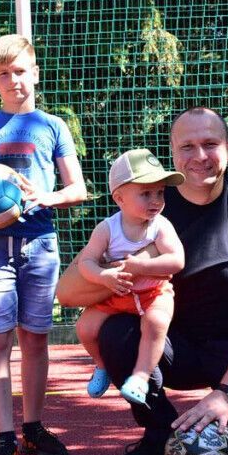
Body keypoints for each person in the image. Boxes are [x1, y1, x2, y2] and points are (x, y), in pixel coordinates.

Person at [57, 107, 228, 455]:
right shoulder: (146, 213)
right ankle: (160, 434)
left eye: (210, 144)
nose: (200, 156)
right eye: (187, 146)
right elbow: (68, 293)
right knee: (115, 330)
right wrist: (131, 266)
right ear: (172, 154)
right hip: (171, 349)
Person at [0, 34, 87, 455]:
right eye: (4, 74)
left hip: (40, 243)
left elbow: (78, 189)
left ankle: (33, 427)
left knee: (34, 338)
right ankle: (4, 438)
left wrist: (45, 197)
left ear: (35, 73)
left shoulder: (53, 126)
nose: (13, 80)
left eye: (20, 71)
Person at [75, 149, 185, 406]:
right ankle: (102, 366)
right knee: (84, 328)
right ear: (119, 198)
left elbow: (177, 260)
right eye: (146, 193)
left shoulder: (161, 225)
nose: (155, 200)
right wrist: (104, 276)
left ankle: (140, 376)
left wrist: (140, 266)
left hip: (154, 293)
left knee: (156, 324)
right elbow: (86, 262)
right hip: (117, 295)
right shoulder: (107, 228)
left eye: (160, 192)